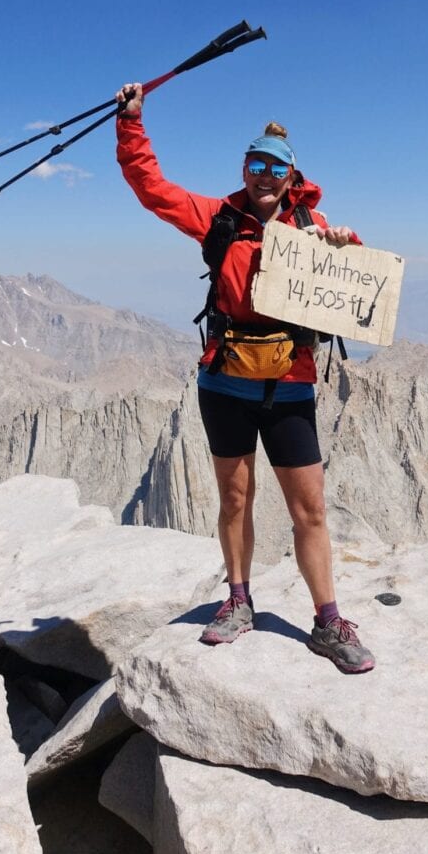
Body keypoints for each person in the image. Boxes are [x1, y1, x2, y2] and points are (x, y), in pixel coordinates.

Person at [115, 82, 375, 674]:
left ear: (291, 175)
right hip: (226, 381)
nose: (264, 175)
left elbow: (355, 280)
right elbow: (152, 189)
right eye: (255, 164)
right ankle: (238, 602)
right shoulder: (219, 219)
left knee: (308, 509)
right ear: (245, 168)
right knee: (235, 499)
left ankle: (328, 620)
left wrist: (345, 243)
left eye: (275, 167)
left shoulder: (314, 224)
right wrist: (131, 123)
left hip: (288, 384)